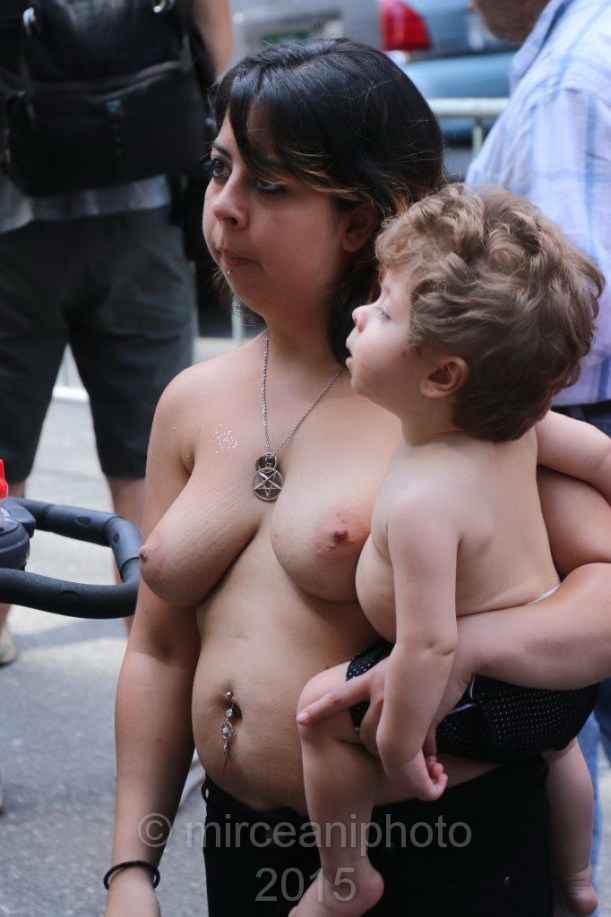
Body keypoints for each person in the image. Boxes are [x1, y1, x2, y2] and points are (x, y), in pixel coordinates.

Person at [104, 40, 611, 917]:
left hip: (439, 851)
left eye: (269, 185)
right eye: (220, 169)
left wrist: (464, 648)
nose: (223, 207)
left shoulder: (446, 401)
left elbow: (600, 588)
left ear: (360, 217)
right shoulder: (190, 401)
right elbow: (158, 650)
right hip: (241, 847)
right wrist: (131, 868)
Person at [293, 184, 606, 917]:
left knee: (319, 714)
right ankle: (576, 878)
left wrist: (402, 743)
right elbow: (598, 455)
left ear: (440, 376)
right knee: (561, 749)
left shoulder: (424, 501)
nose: (360, 313)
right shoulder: (519, 426)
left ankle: (345, 879)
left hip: (488, 688)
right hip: (557, 687)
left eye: (384, 310)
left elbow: (430, 645)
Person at [0, 0, 233, 663]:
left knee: (4, 455)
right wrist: (228, 124)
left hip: (16, 217)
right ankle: (150, 646)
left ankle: (3, 621)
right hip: (142, 204)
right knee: (148, 454)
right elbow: (209, 13)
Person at [465, 0, 611, 900]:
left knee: (559, 717)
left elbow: (564, 311)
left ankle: (566, 882)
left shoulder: (568, 77)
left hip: (578, 412)